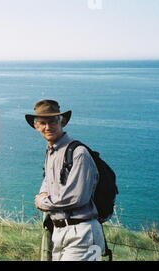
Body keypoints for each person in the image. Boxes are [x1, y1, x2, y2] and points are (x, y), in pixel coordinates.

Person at [25, 99, 105, 261]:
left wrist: (42, 202)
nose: (48, 127)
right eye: (42, 122)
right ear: (36, 126)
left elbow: (77, 197)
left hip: (83, 234)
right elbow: (47, 182)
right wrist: (43, 195)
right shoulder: (51, 152)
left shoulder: (78, 153)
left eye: (53, 121)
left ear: (63, 121)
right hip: (60, 232)